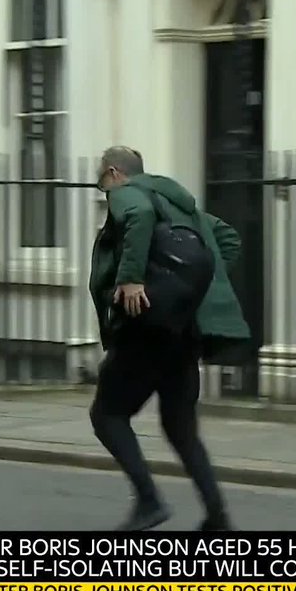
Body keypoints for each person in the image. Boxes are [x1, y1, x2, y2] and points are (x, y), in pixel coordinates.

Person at [87, 146, 252, 532]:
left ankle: (149, 502)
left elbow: (139, 216)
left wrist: (132, 278)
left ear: (114, 173)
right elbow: (228, 239)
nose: (103, 191)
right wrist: (188, 289)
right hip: (183, 333)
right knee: (181, 429)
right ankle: (218, 517)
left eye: (102, 181)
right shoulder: (182, 207)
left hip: (145, 329)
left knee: (107, 415)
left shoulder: (130, 195)